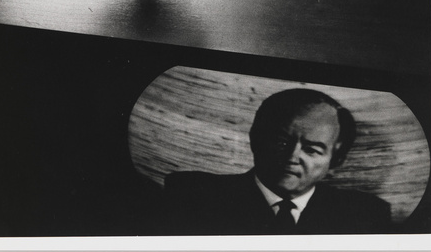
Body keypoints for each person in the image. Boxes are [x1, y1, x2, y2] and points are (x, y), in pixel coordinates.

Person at [162, 88, 392, 235]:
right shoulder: (192, 195)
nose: (292, 157)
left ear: (336, 160)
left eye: (312, 150)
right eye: (281, 142)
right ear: (255, 139)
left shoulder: (367, 215)